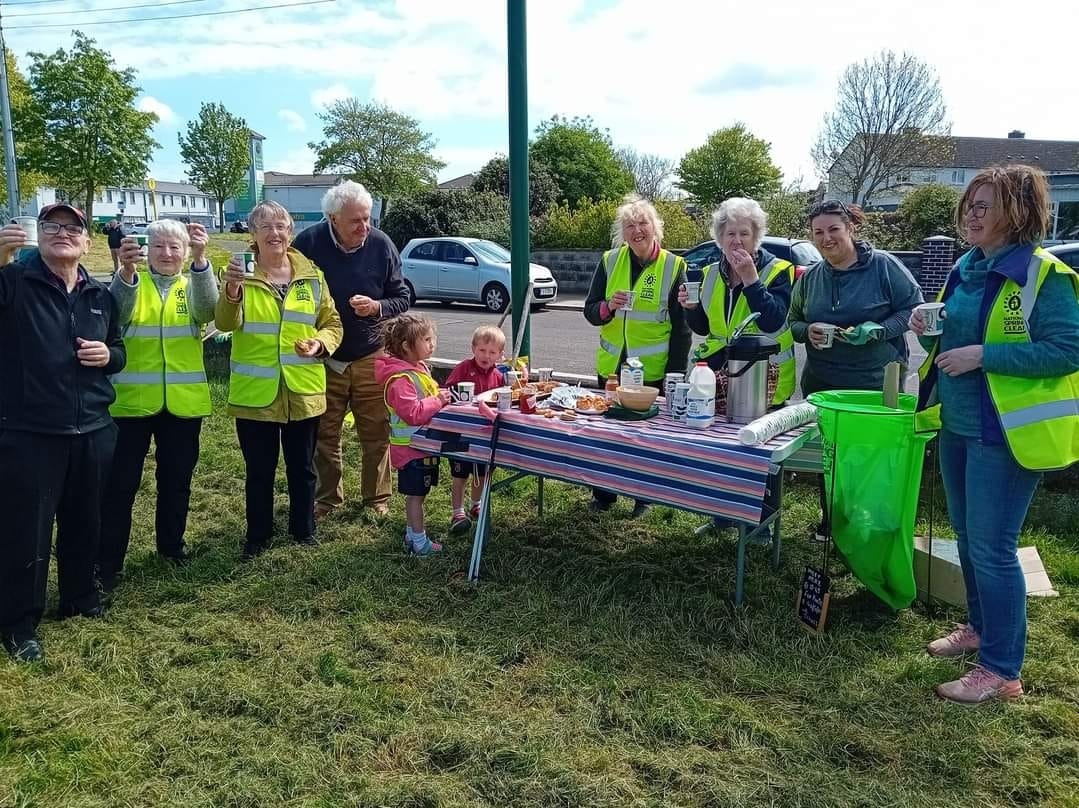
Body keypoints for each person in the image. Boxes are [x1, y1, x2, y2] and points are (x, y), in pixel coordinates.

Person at [913, 165, 1079, 704]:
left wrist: (986, 356)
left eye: (985, 205)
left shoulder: (1043, 275)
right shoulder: (966, 266)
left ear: (1019, 212)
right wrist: (929, 325)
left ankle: (1002, 671)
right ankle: (980, 630)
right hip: (959, 427)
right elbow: (957, 332)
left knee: (993, 549)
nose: (972, 215)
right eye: (970, 205)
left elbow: (1068, 349)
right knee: (969, 542)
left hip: (1004, 438)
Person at [0, 204, 126, 663]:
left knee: (85, 520)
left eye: (73, 228)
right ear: (38, 236)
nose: (62, 234)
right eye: (52, 226)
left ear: (88, 243)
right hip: (31, 431)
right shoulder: (14, 283)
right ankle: (18, 622)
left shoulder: (99, 295)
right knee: (26, 532)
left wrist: (107, 357)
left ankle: (78, 596)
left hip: (92, 428)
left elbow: (118, 349)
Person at [788, 200, 923, 540]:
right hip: (823, 382)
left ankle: (873, 525)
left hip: (874, 381)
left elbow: (914, 310)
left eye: (833, 229)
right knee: (830, 455)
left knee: (872, 457)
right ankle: (831, 521)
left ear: (851, 228)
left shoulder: (884, 267)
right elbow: (794, 321)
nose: (826, 238)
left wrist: (879, 330)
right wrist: (809, 331)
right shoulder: (812, 277)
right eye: (818, 232)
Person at [214, 201, 343, 559]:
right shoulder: (239, 273)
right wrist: (231, 293)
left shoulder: (312, 275)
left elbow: (333, 324)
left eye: (281, 226)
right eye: (266, 226)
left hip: (303, 390)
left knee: (302, 468)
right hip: (256, 395)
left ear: (291, 232)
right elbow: (224, 324)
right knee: (260, 470)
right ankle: (258, 536)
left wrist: (320, 343)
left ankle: (304, 530)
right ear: (253, 234)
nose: (275, 233)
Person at [97, 220, 218, 592]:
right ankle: (108, 562)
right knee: (120, 487)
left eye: (175, 248)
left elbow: (208, 311)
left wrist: (201, 261)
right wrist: (126, 271)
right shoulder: (133, 281)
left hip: (182, 404)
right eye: (159, 247)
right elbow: (116, 313)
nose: (167, 254)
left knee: (177, 481)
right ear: (147, 249)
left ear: (184, 252)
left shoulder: (192, 283)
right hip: (131, 404)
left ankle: (171, 547)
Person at [291, 181, 411, 521]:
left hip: (371, 353)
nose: (365, 227)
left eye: (367, 218)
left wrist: (376, 307)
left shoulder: (381, 244)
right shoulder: (308, 244)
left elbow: (402, 297)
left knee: (375, 431)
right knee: (325, 432)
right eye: (355, 221)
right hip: (324, 356)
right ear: (332, 218)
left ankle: (377, 499)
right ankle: (328, 499)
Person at [679, 197, 795, 535]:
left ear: (756, 236)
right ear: (720, 236)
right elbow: (704, 327)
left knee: (762, 455)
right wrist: (689, 308)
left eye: (744, 233)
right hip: (720, 376)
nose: (737, 241)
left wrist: (751, 280)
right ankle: (723, 516)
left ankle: (761, 528)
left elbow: (774, 320)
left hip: (764, 376)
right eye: (730, 233)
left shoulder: (777, 271)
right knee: (724, 452)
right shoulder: (711, 272)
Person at [584, 194, 691, 517]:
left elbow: (683, 329)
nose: (636, 230)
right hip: (613, 367)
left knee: (645, 437)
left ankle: (643, 496)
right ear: (623, 232)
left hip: (652, 370)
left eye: (642, 223)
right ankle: (604, 494)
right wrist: (608, 307)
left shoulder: (674, 266)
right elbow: (591, 311)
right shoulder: (610, 260)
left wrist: (675, 375)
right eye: (629, 225)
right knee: (608, 431)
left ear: (655, 227)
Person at [374, 312, 453, 555]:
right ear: (407, 346)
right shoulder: (400, 379)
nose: (433, 344)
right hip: (411, 448)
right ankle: (420, 542)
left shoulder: (417, 368)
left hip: (421, 446)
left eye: (432, 339)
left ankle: (412, 535)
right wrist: (438, 400)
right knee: (415, 497)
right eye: (427, 340)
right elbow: (413, 413)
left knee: (420, 494)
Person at [444, 324, 506, 533]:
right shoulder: (463, 367)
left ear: (499, 355)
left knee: (481, 472)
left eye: (492, 352)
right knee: (459, 474)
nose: (486, 356)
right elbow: (448, 390)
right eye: (482, 350)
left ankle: (476, 504)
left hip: (484, 436)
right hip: (461, 433)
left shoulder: (498, 375)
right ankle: (457, 511)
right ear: (473, 348)